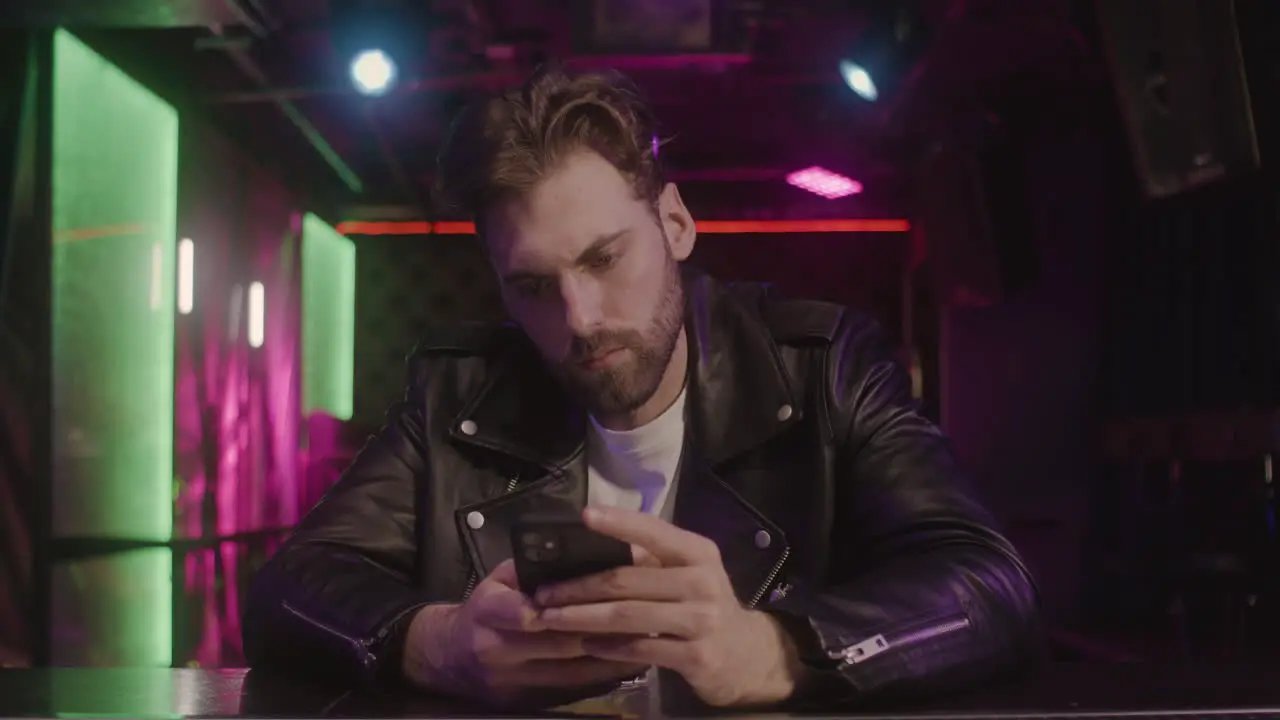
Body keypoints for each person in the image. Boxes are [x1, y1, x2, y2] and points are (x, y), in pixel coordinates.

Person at [243, 65, 1042, 710]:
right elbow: (287, 591)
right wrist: (438, 643)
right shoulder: (457, 396)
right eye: (532, 287)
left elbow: (989, 587)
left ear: (676, 225)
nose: (579, 319)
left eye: (603, 258)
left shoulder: (823, 366)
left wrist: (777, 650)